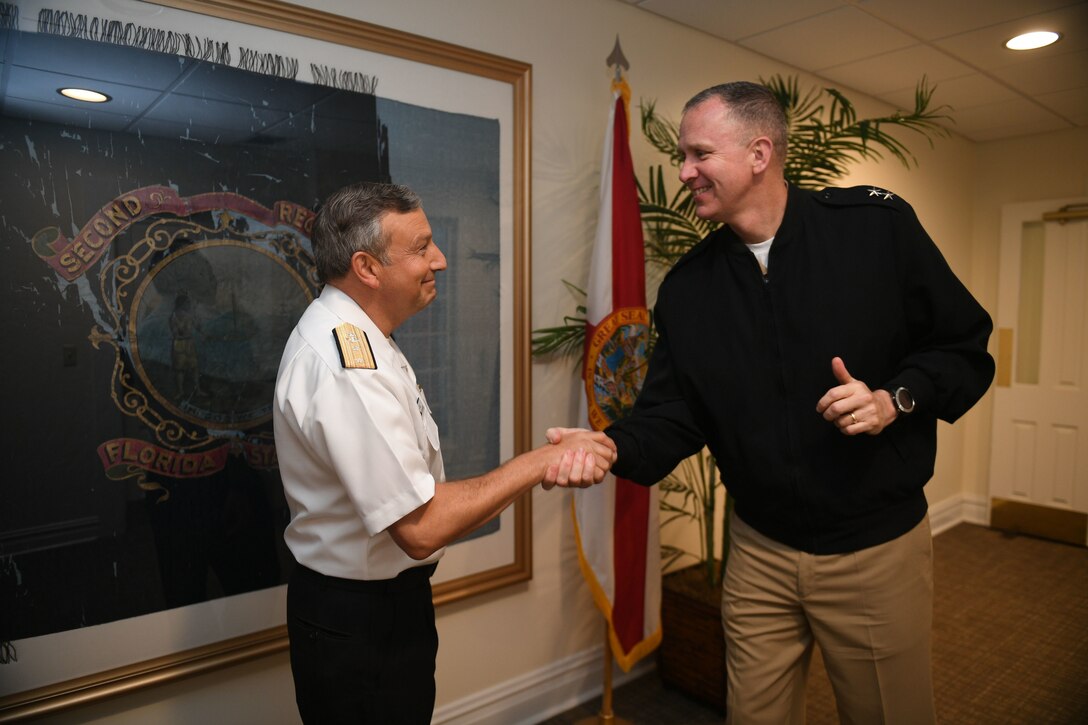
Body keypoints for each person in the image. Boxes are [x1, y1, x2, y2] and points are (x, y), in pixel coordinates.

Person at [556, 82, 994, 723]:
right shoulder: (687, 290)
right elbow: (675, 413)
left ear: (759, 153)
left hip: (872, 553)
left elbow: (964, 347)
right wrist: (612, 444)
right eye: (683, 156)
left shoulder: (876, 229)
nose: (684, 173)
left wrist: (894, 400)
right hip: (757, 555)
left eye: (699, 154)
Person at [273, 181, 616, 724]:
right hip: (360, 622)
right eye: (421, 247)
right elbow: (421, 527)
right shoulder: (346, 363)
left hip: (376, 608)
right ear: (367, 267)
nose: (441, 259)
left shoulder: (360, 335)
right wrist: (541, 462)